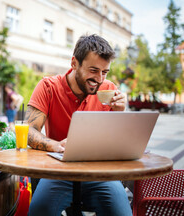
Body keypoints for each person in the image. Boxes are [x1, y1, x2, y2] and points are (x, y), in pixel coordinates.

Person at [26, 35, 132, 216]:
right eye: (93, 70)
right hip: (59, 172)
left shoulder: (109, 89)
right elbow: (29, 130)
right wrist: (56, 146)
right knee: (39, 211)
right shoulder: (48, 86)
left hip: (99, 173)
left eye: (105, 72)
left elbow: (115, 142)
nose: (99, 79)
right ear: (74, 63)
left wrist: (119, 112)